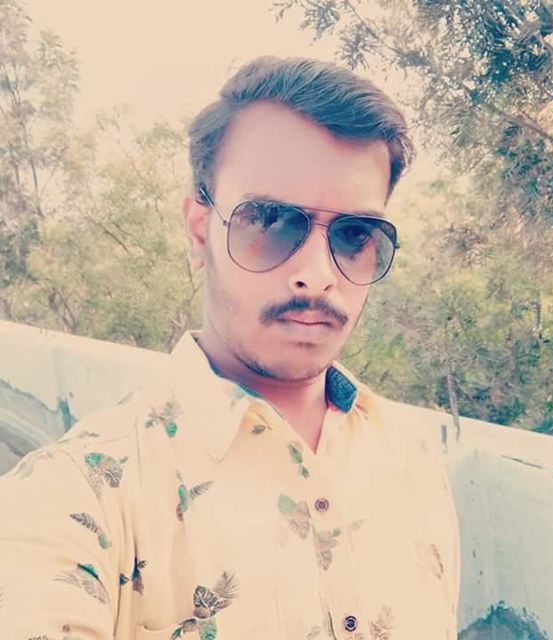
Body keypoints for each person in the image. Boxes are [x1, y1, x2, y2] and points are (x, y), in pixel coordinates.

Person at [0, 56, 460, 639]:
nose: (318, 274)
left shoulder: (411, 458)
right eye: (269, 221)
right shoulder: (76, 497)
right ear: (201, 231)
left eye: (355, 235)